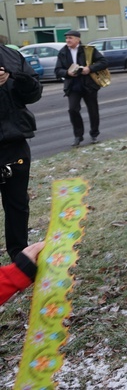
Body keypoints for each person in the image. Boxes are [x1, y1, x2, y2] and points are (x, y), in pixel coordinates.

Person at [0, 45, 42, 261]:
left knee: (17, 204)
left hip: (13, 140)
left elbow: (34, 94)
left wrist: (22, 80)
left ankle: (19, 257)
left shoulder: (12, 55)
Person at [55, 30, 108, 147]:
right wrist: (67, 73)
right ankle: (78, 136)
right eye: (67, 38)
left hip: (89, 85)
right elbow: (58, 70)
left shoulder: (88, 50)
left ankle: (94, 134)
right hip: (73, 86)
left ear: (78, 39)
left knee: (93, 110)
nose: (68, 40)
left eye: (70, 38)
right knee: (73, 110)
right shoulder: (63, 52)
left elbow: (103, 62)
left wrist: (89, 69)